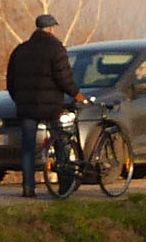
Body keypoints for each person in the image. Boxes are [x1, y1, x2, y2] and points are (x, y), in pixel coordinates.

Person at [5, 14, 86, 197]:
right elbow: (64, 78)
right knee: (60, 141)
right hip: (51, 107)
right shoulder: (56, 49)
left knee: (27, 147)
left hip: (27, 107)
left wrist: (19, 98)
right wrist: (76, 94)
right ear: (51, 29)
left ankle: (28, 187)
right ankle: (65, 184)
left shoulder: (20, 50)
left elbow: (11, 81)